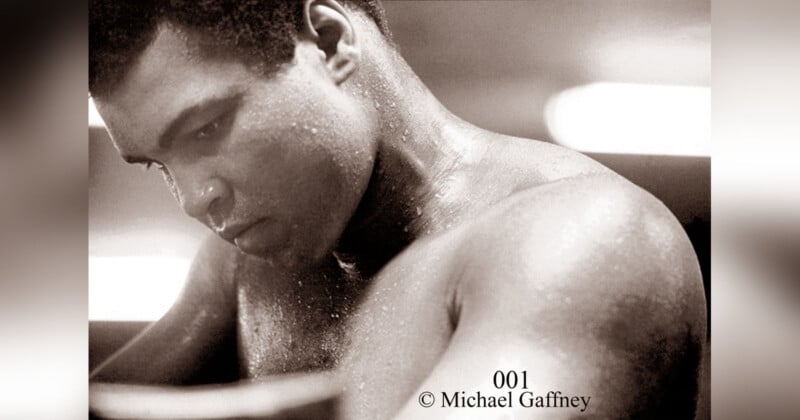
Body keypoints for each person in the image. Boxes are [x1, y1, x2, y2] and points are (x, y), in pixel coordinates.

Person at [89, 0, 707, 418]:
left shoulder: (582, 240)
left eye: (207, 128)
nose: (196, 200)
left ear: (330, 41)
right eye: (157, 164)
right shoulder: (244, 272)